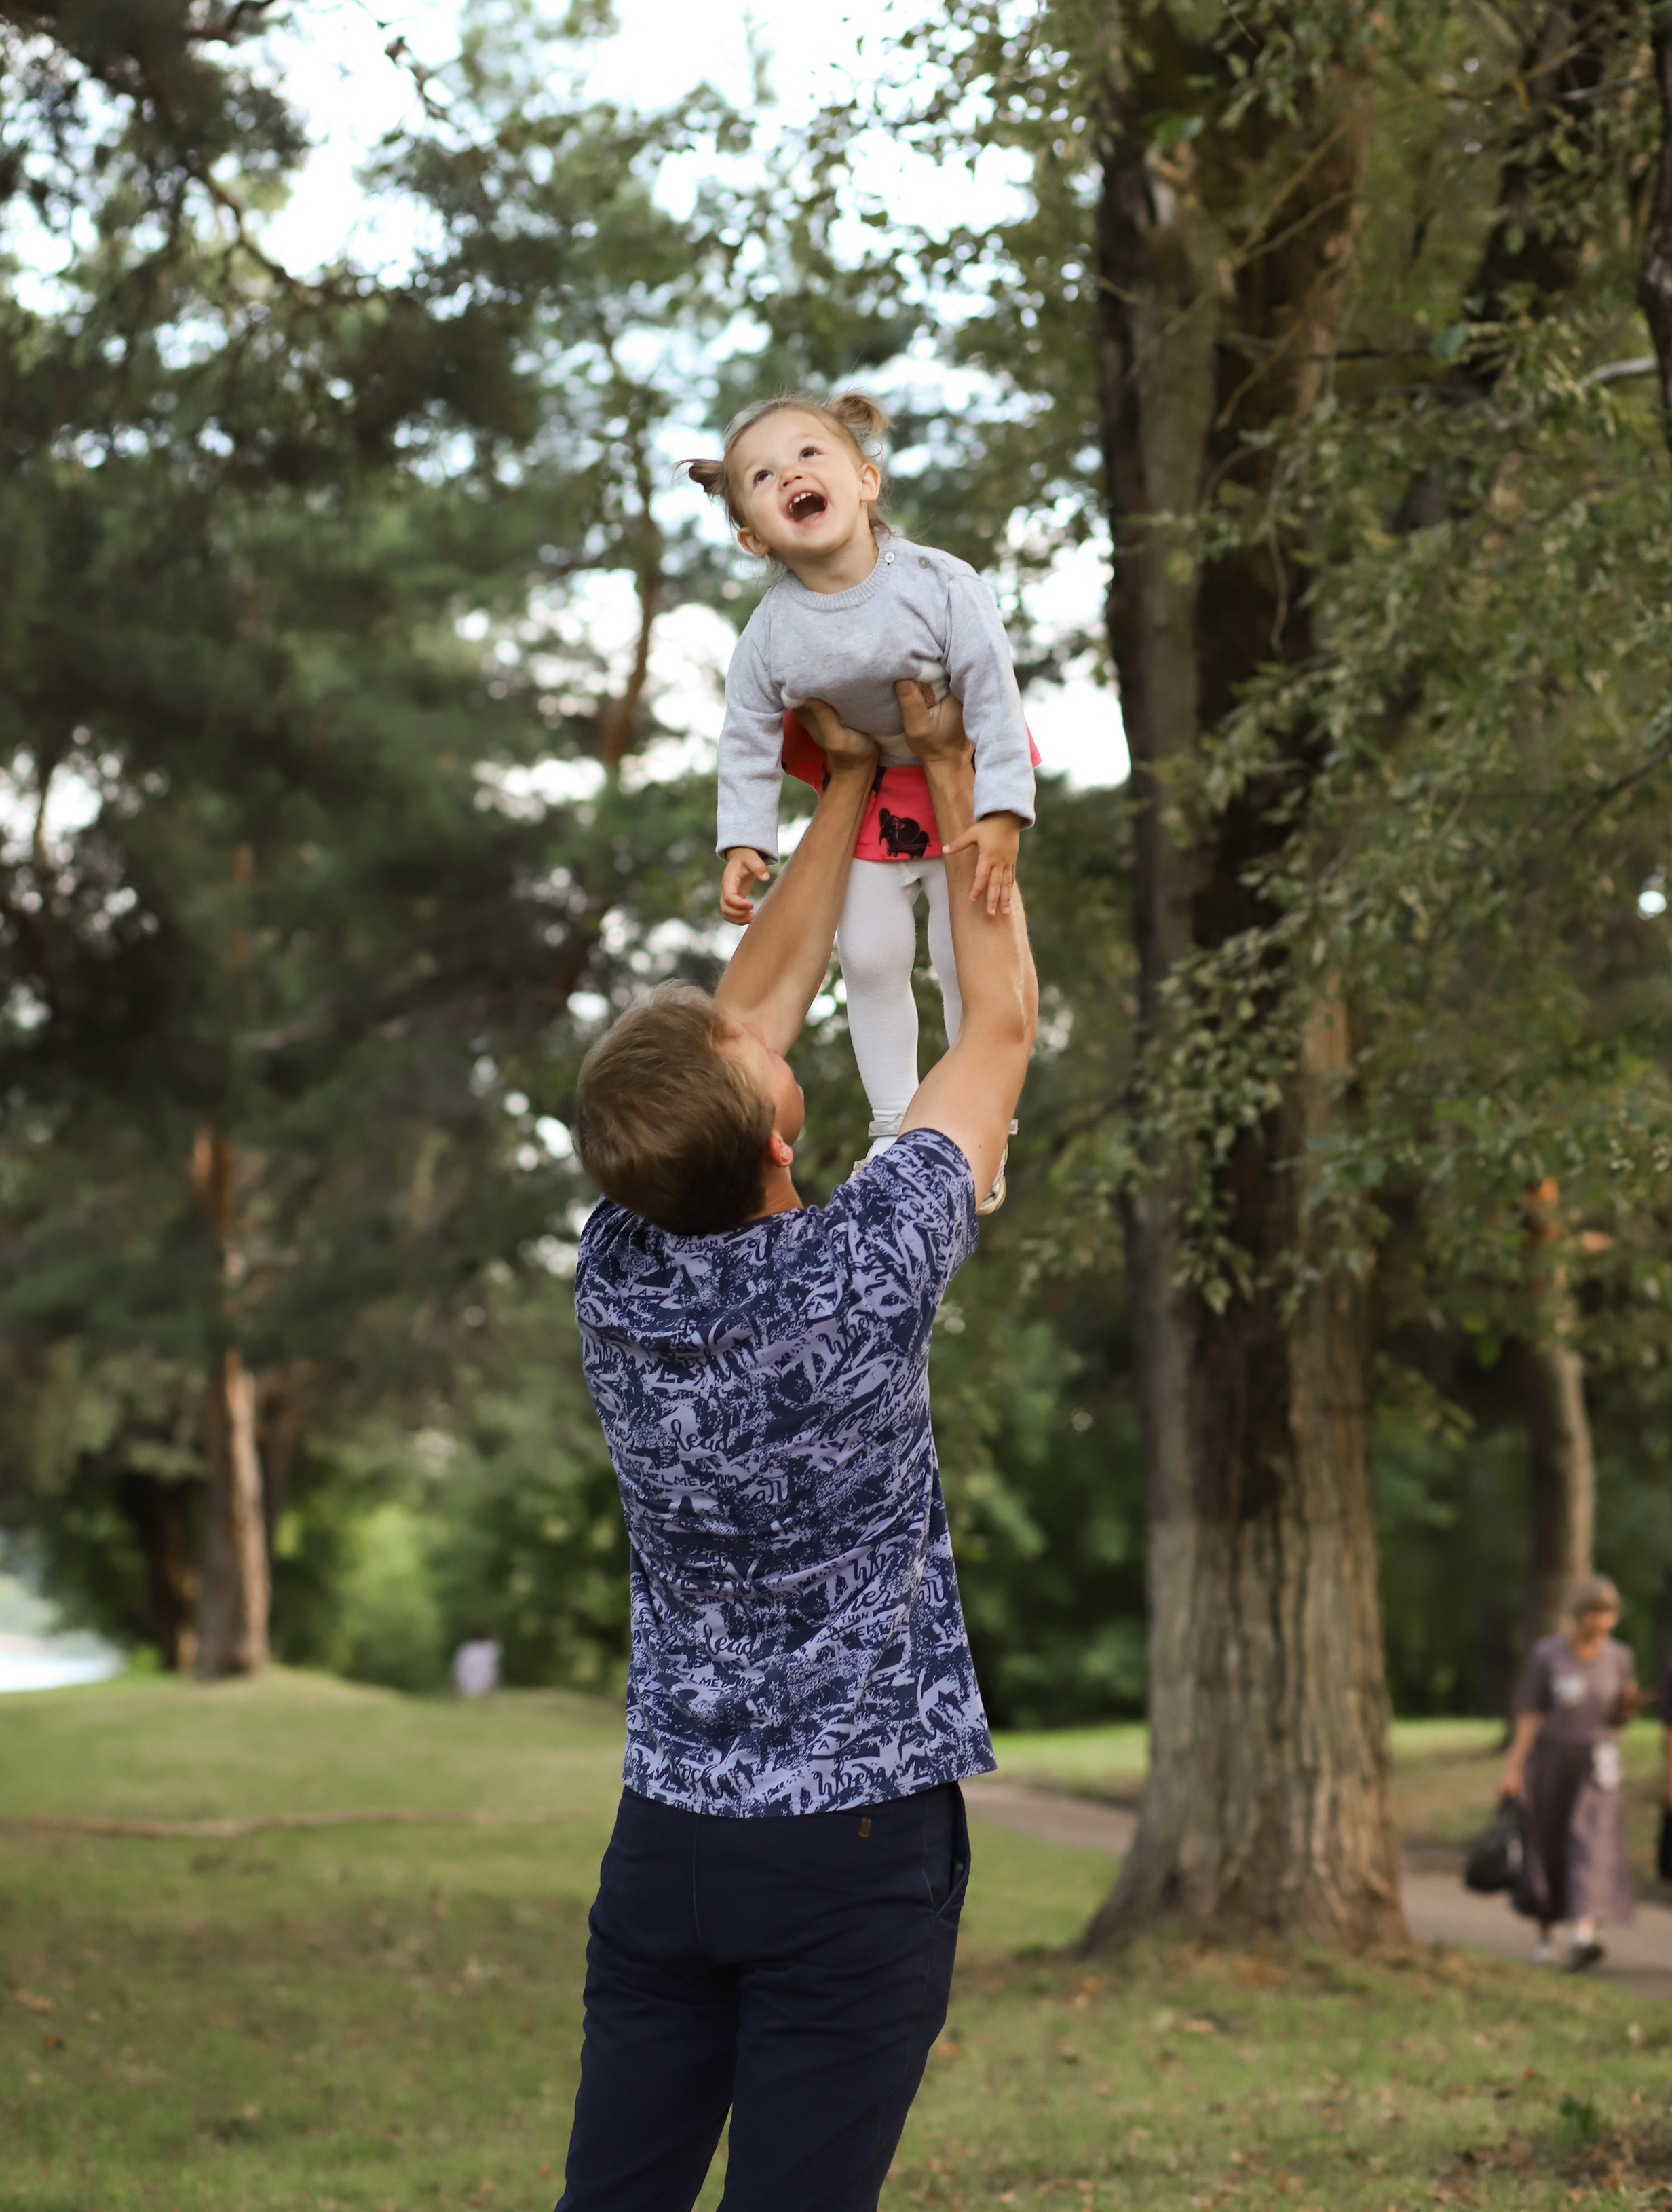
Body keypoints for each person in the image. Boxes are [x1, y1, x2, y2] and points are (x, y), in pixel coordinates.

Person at [558, 681, 1036, 2212]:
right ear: (774, 1135)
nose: (757, 1030)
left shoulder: (617, 1270)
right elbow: (999, 1026)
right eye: (752, 1057)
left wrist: (839, 785)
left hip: (670, 1845)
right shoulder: (863, 1265)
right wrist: (955, 780)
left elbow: (738, 1030)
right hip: (849, 1849)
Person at [687, 390, 1035, 1202]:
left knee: (961, 956)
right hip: (874, 795)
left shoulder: (937, 583)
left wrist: (1003, 812)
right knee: (871, 959)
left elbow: (993, 693)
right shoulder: (771, 632)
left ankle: (986, 1123)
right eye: (763, 475)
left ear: (866, 481)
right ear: (751, 537)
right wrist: (745, 839)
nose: (790, 475)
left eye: (809, 454)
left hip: (960, 786)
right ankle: (893, 1122)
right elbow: (747, 735)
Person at [1500, 1573, 1646, 1970]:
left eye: (1607, 1614)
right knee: (1549, 1843)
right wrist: (1514, 1768)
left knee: (1593, 1845)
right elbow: (1530, 1713)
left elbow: (1617, 1719)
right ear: (1576, 1615)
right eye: (1592, 1613)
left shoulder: (1620, 1657)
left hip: (1598, 1765)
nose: (1600, 1622)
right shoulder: (1548, 1655)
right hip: (1551, 1763)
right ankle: (1546, 1932)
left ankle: (1584, 1933)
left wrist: (1628, 1708)